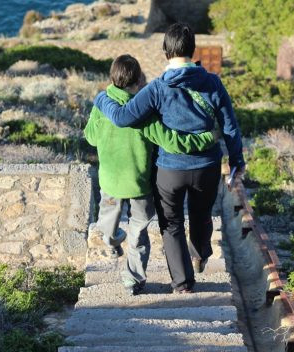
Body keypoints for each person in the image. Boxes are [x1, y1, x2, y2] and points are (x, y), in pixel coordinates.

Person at [94, 24, 245, 294]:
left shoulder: (156, 89)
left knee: (171, 225)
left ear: (165, 51)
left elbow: (122, 117)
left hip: (170, 170)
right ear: (192, 49)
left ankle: (182, 283)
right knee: (201, 215)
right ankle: (199, 255)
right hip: (207, 166)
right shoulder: (212, 82)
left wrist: (101, 98)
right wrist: (236, 162)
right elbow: (230, 127)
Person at [84, 54, 219, 295]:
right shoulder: (144, 112)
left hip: (110, 183)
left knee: (107, 224)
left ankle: (112, 240)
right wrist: (208, 137)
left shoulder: (102, 105)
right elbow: (171, 142)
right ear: (137, 83)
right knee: (138, 232)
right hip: (140, 185)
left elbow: (91, 137)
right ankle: (132, 279)